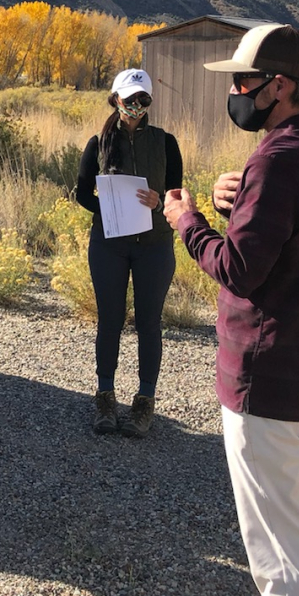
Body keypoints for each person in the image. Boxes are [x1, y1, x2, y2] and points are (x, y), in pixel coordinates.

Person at [161, 23, 299, 596]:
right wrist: (235, 203)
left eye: (244, 81)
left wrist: (186, 220)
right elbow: (281, 240)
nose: (238, 93)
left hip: (266, 380)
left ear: (280, 85)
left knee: (278, 549)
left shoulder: (275, 159)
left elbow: (240, 270)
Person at [74, 68, 182, 437]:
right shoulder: (98, 143)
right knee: (110, 319)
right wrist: (109, 210)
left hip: (155, 245)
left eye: (143, 100)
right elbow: (82, 193)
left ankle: (144, 402)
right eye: (130, 99)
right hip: (110, 245)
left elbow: (177, 195)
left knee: (149, 323)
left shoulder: (166, 143)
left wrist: (159, 201)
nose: (136, 106)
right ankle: (105, 397)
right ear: (115, 99)